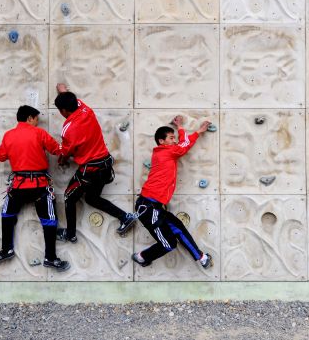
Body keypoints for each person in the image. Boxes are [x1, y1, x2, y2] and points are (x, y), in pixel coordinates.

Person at [54, 84, 137, 243]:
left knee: (69, 197)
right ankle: (125, 217)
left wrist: (62, 160)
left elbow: (66, 152)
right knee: (92, 198)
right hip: (105, 166)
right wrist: (64, 92)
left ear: (63, 111)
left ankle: (70, 234)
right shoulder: (86, 111)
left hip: (89, 171)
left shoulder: (69, 129)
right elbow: (74, 101)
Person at [0, 105, 70, 271]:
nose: (37, 123)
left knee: (7, 215)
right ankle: (50, 258)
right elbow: (57, 150)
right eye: (36, 119)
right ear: (29, 117)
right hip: (39, 185)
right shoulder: (39, 133)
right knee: (49, 220)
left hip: (18, 186)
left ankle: (6, 249)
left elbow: (1, 157)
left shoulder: (9, 135)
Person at [132, 115, 213, 269]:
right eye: (171, 138)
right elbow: (185, 145)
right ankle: (141, 257)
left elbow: (181, 144)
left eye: (174, 138)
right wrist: (199, 131)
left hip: (155, 207)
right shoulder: (166, 152)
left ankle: (201, 258)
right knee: (169, 244)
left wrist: (180, 128)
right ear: (161, 141)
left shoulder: (165, 151)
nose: (174, 140)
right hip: (149, 207)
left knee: (178, 227)